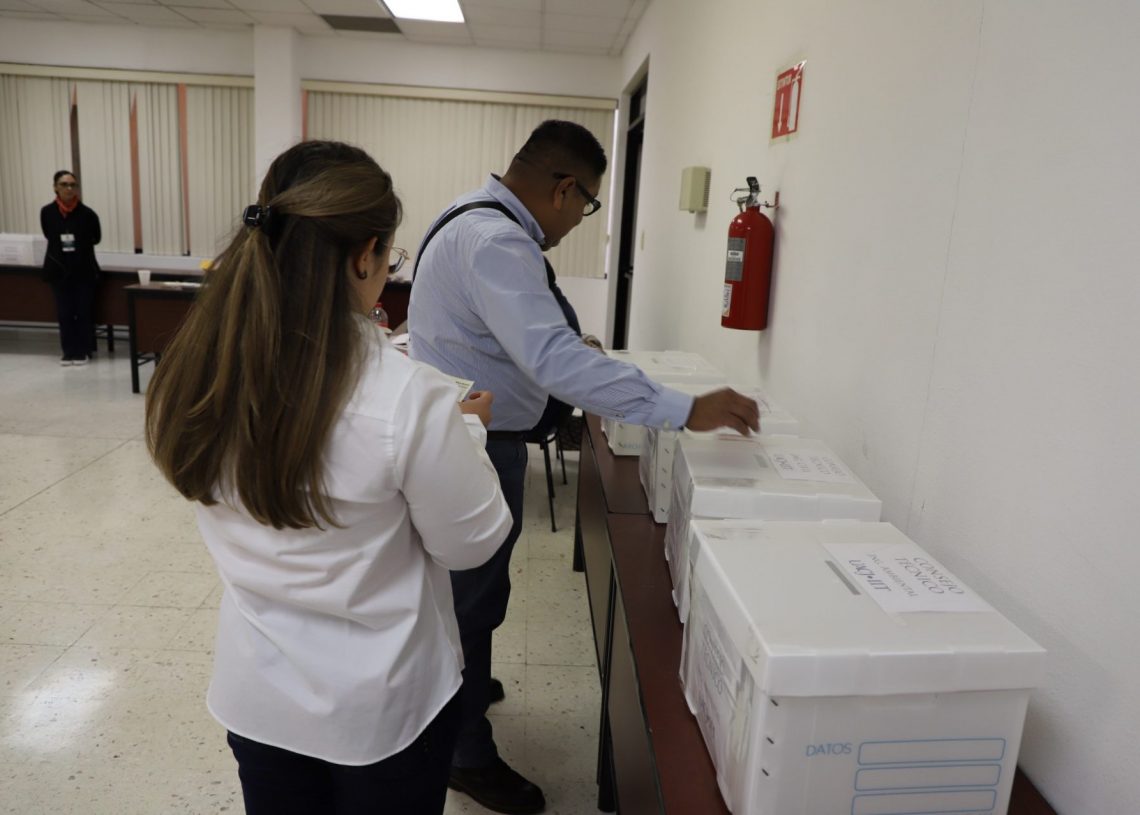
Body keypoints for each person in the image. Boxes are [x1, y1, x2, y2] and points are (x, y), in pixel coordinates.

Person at [145, 140, 513, 815]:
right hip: (382, 710)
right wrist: (466, 432)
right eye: (390, 260)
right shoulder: (406, 396)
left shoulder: (203, 367)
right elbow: (472, 543)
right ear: (364, 256)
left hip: (258, 695)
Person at [409, 120, 760, 814]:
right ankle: (463, 752)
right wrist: (685, 408)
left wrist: (576, 348)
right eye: (588, 204)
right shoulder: (499, 242)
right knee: (470, 601)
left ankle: (468, 684)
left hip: (470, 434)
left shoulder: (470, 215)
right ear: (564, 189)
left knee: (475, 594)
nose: (579, 221)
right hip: (477, 445)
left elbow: (520, 338)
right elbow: (552, 362)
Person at [40, 170, 100, 366]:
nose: (69, 188)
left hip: (83, 270)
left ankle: (83, 351)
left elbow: (96, 238)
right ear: (55, 187)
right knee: (64, 312)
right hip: (58, 270)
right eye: (64, 184)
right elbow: (49, 235)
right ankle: (68, 351)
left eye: (73, 185)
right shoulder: (47, 212)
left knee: (82, 311)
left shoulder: (87, 214)